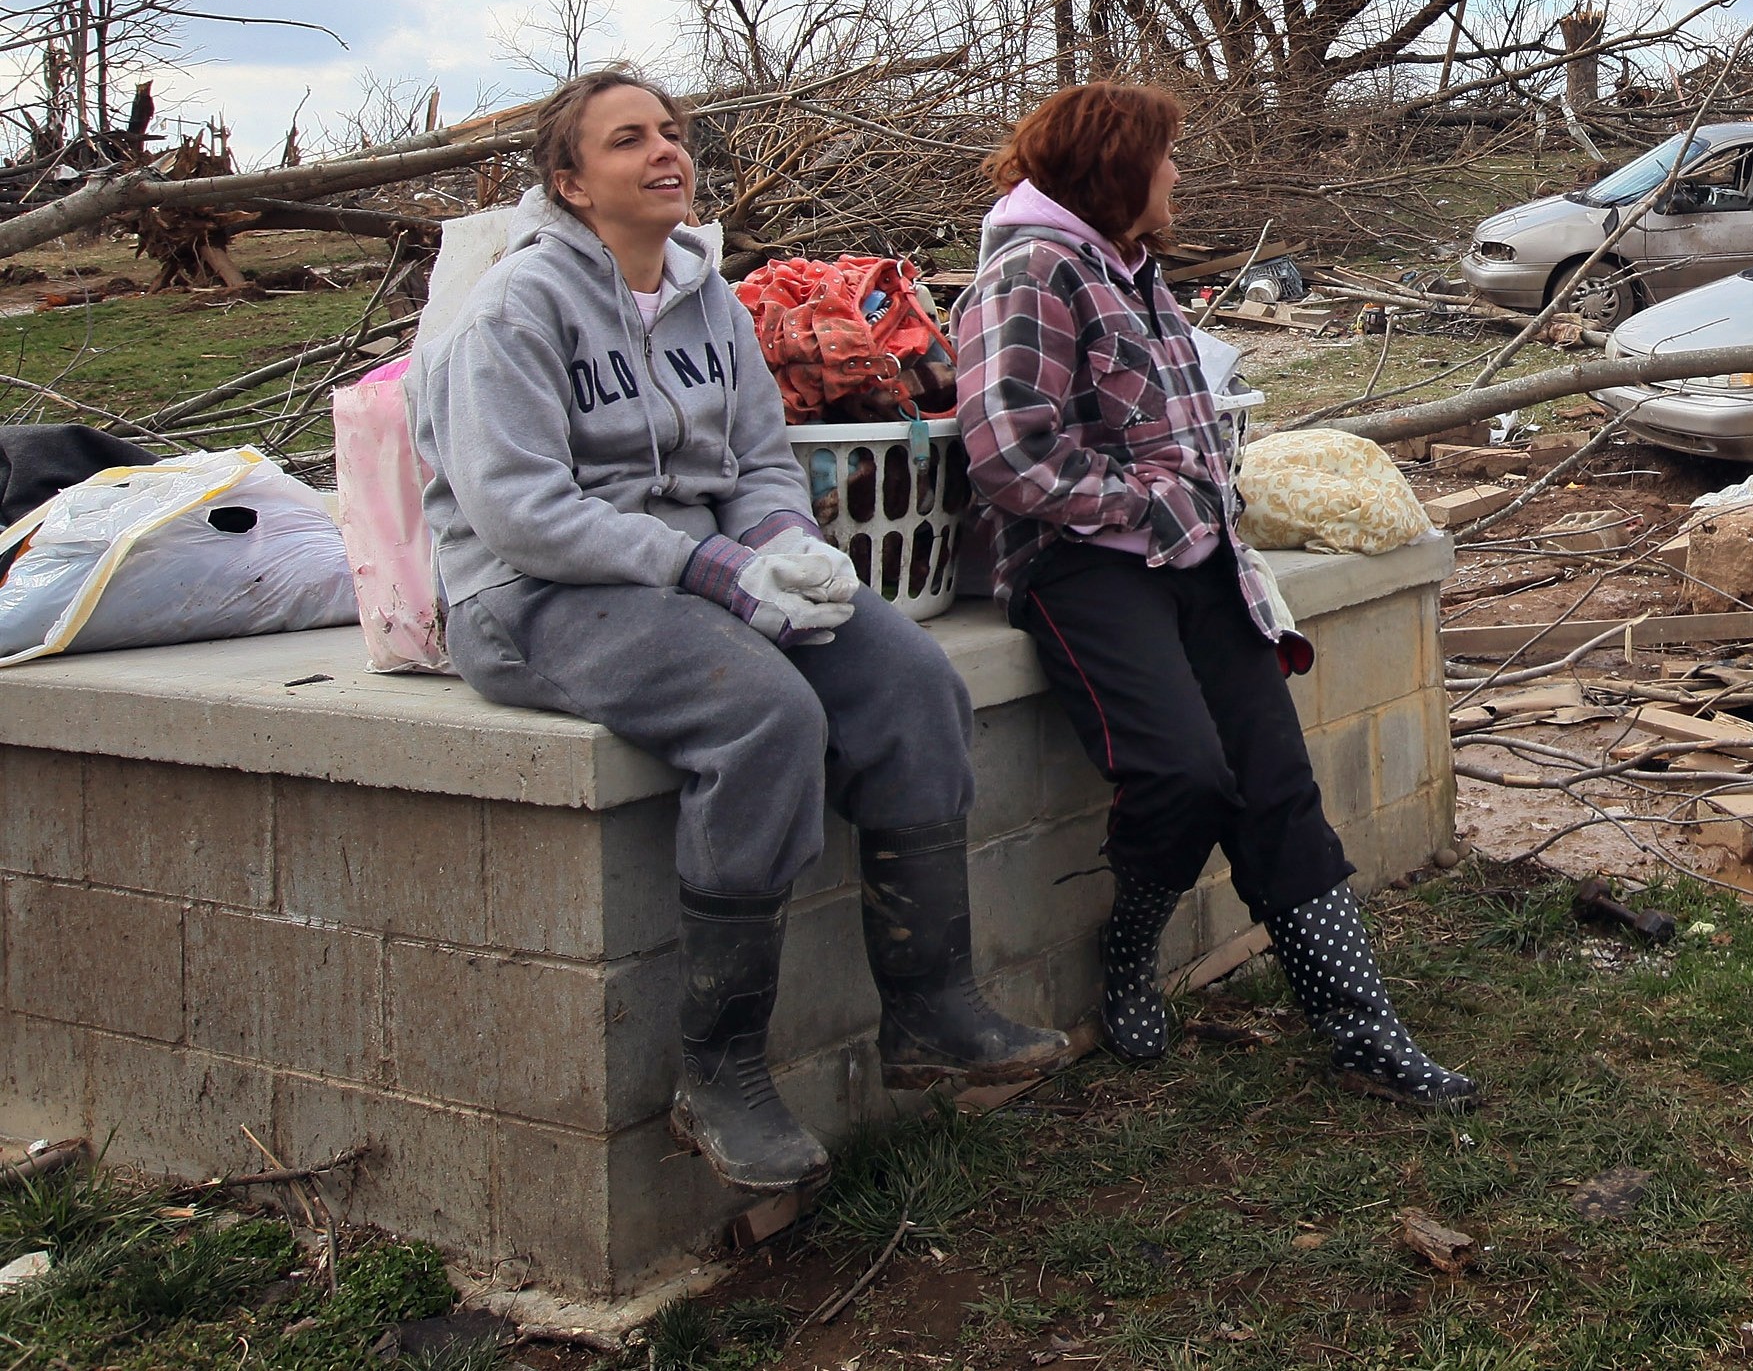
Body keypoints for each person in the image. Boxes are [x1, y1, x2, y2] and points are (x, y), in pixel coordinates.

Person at [411, 70, 1065, 1195]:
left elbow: (760, 458)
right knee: (764, 714)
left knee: (911, 680)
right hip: (532, 596)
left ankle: (930, 1006)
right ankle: (719, 1072)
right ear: (570, 183)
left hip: (694, 572)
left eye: (672, 132)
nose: (667, 152)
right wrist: (706, 565)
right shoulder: (514, 312)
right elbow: (522, 510)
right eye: (630, 141)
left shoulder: (708, 297)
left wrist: (775, 543)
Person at [953, 80, 1476, 1110]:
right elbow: (1009, 450)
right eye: (1168, 154)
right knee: (1186, 773)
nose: (1179, 172)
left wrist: (1192, 515)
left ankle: (1362, 1027)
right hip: (1083, 564)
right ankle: (1131, 948)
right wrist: (1148, 505)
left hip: (1191, 552)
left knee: (1274, 778)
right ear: (1118, 167)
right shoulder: (1032, 270)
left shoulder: (1132, 268)